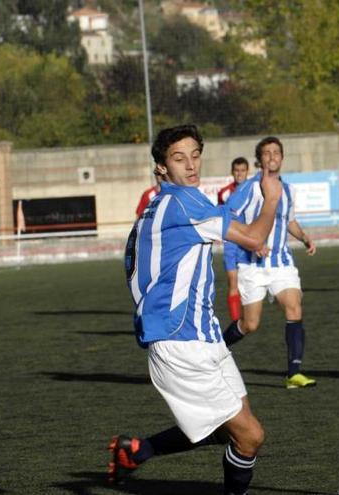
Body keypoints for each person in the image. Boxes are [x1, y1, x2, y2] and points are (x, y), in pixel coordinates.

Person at [111, 124, 283, 494]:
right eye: (178, 158)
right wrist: (271, 199)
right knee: (250, 436)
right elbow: (254, 237)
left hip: (200, 335)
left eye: (195, 155)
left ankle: (139, 450)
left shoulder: (157, 208)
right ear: (161, 168)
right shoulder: (184, 202)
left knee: (234, 429)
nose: (190, 165)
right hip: (182, 339)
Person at [221, 136, 319, 389]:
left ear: (282, 158)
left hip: (281, 263)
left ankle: (293, 374)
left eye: (276, 152)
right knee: (250, 324)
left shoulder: (288, 190)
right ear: (260, 159)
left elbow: (289, 221)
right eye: (267, 153)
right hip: (251, 264)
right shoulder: (249, 188)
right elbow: (226, 220)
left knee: (294, 306)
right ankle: (216, 353)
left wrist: (305, 237)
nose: (272, 156)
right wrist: (251, 241)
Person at [218, 157, 251, 321]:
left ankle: (249, 315)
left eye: (242, 171)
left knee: (248, 281)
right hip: (231, 242)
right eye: (236, 171)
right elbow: (220, 215)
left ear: (247, 172)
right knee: (233, 280)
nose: (239, 174)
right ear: (232, 172)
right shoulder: (224, 193)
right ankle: (236, 320)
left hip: (247, 241)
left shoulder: (253, 190)